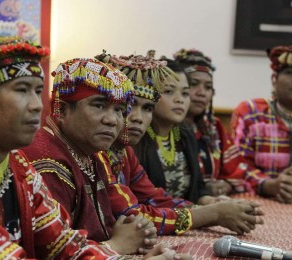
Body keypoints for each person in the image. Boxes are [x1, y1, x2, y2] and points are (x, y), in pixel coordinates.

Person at [0, 36, 174, 259]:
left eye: (37, 91)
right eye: (22, 90)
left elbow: (66, 247)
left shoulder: (16, 165)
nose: (36, 105)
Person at [98, 53, 264, 236]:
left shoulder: (124, 151)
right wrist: (213, 213)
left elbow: (155, 198)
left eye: (147, 108)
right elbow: (133, 215)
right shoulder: (100, 152)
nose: (137, 118)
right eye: (127, 107)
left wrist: (216, 208)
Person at [22, 58, 158, 255]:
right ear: (63, 110)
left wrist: (135, 231)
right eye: (99, 106)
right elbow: (52, 253)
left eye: (119, 110)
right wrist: (118, 245)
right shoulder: (46, 161)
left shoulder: (88, 152)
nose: (112, 120)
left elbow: (105, 230)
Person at [231, 45, 292, 203]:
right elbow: (237, 165)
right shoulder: (251, 113)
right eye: (290, 72)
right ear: (274, 80)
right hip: (258, 201)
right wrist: (268, 185)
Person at [173, 49, 251, 196]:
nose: (201, 92)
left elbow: (238, 170)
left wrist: (226, 185)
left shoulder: (213, 128)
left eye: (208, 87)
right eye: (193, 84)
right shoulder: (165, 128)